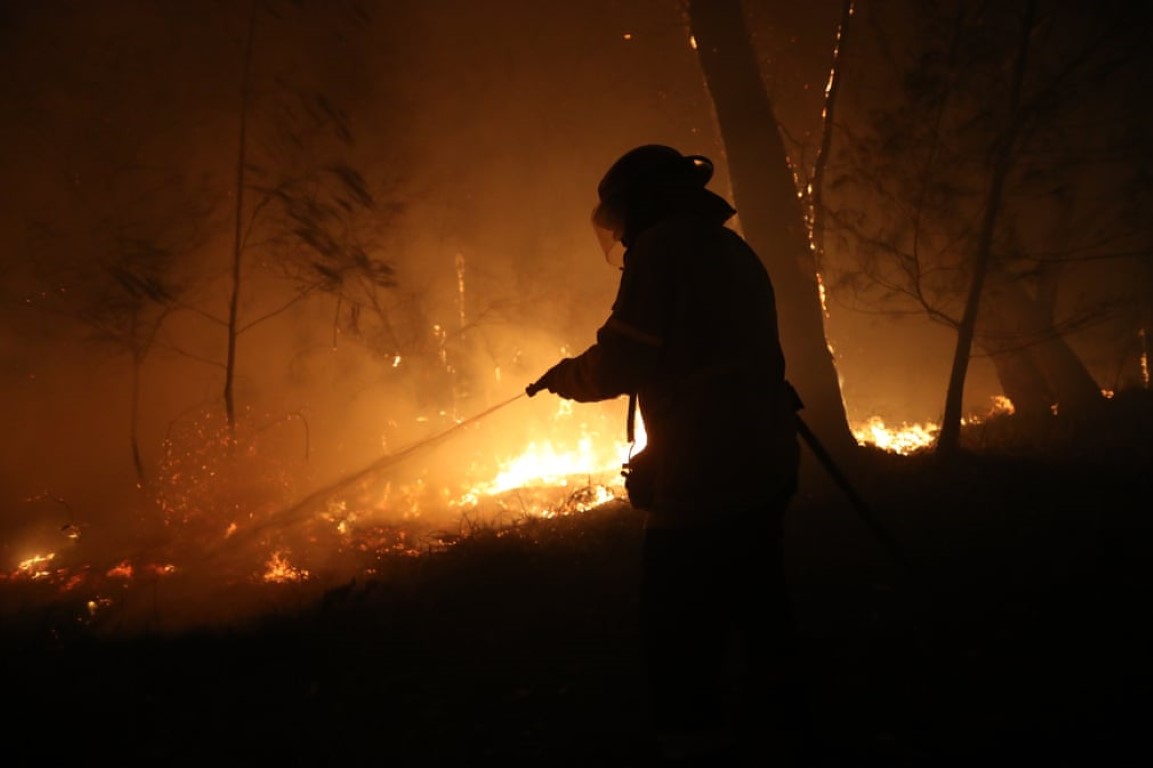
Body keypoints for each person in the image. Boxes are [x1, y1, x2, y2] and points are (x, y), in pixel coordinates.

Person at [526, 145, 806, 765]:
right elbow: (708, 358)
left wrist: (566, 376)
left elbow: (623, 359)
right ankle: (787, 720)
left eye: (622, 219)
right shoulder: (728, 248)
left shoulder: (661, 252)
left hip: (709, 474)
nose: (623, 237)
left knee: (675, 621)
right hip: (765, 453)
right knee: (759, 596)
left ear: (645, 203)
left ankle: (692, 741)